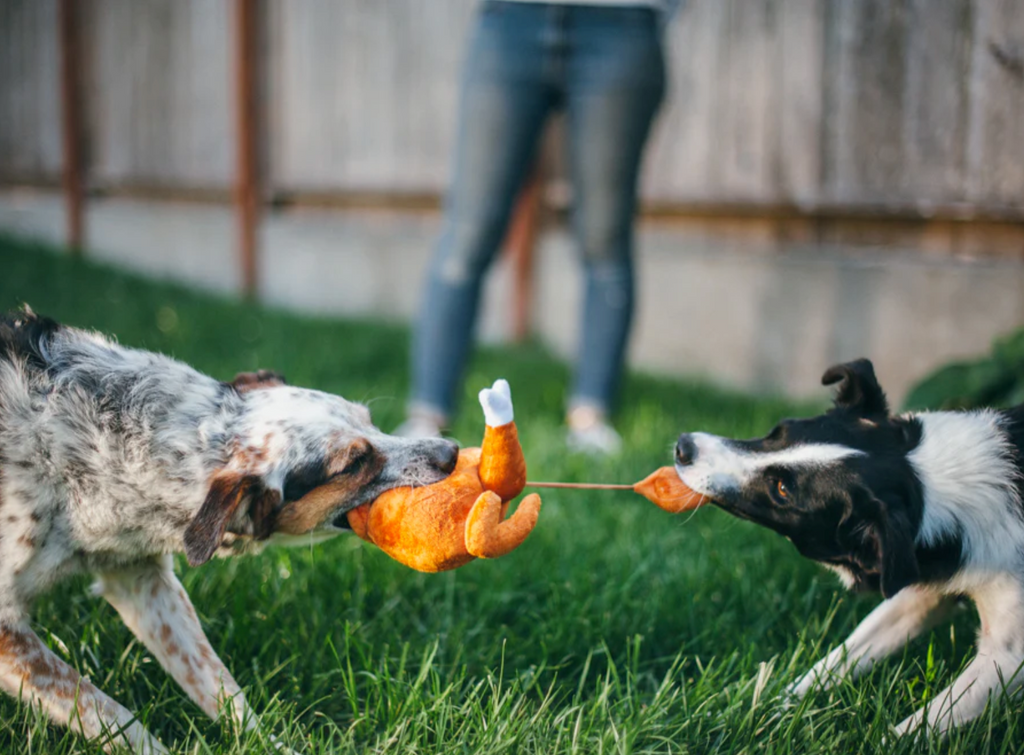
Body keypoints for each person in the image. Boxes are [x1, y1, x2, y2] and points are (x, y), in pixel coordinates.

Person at [398, 0, 671, 454]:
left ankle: (591, 417)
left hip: (626, 23)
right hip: (511, 20)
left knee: (605, 236)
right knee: (468, 233)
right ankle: (426, 414)